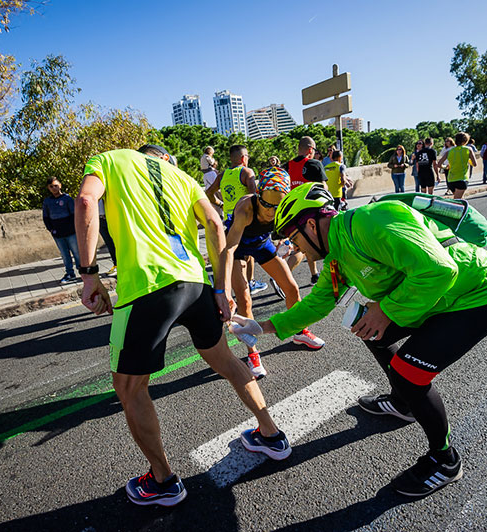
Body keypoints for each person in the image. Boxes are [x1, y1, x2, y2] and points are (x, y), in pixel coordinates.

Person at [231, 183, 487, 497]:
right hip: (440, 296)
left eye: (294, 238)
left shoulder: (370, 221)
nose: (297, 249)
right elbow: (319, 302)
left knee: (409, 372)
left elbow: (439, 269)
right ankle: (403, 403)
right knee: (366, 326)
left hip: (480, 294)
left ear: (310, 224)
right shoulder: (337, 256)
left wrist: (386, 309)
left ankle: (445, 460)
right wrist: (263, 326)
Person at [74, 145, 292, 507]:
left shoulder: (111, 159)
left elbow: (84, 202)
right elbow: (214, 226)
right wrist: (220, 289)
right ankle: (270, 433)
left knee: (129, 387)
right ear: (165, 159)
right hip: (195, 283)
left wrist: (88, 275)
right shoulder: (183, 177)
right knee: (227, 361)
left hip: (145, 287)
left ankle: (163, 481)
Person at [222, 167, 325, 377]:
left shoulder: (284, 207)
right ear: (258, 195)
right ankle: (252, 353)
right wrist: (224, 290)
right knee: (244, 299)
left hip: (261, 244)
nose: (271, 211)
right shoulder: (245, 207)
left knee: (292, 288)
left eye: (277, 206)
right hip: (237, 247)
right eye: (266, 204)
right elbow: (229, 248)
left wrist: (289, 244)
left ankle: (299, 332)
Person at [207, 145, 268, 295]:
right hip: (245, 219)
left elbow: (208, 193)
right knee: (249, 251)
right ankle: (250, 282)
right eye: (247, 156)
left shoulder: (222, 175)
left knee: (235, 254)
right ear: (243, 158)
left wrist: (220, 204)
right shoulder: (247, 172)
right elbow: (255, 196)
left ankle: (230, 284)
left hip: (229, 221)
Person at [284, 136, 325, 284]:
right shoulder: (314, 164)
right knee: (302, 249)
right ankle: (281, 277)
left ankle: (314, 275)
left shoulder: (286, 166)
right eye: (314, 150)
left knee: (305, 245)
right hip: (311, 213)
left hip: (292, 213)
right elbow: (323, 188)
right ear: (310, 150)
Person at [42, 177, 81, 284]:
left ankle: (83, 272)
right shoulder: (47, 201)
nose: (54, 188)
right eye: (51, 186)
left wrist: (73, 228)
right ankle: (70, 273)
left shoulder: (67, 199)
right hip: (58, 234)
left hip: (71, 232)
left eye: (55, 185)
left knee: (77, 252)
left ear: (60, 185)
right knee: (64, 255)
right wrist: (51, 229)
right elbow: (46, 217)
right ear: (48, 188)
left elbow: (74, 215)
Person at [438, 132, 477, 199]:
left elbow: (439, 164)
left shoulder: (449, 151)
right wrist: (467, 160)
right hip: (462, 179)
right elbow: (474, 164)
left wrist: (445, 167)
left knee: (460, 200)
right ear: (465, 141)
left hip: (451, 180)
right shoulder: (468, 149)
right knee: (457, 202)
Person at [98, 199, 117, 277]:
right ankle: (116, 265)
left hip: (111, 217)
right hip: (100, 219)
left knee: (117, 243)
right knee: (109, 244)